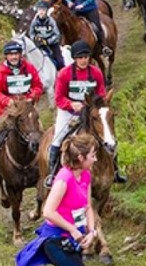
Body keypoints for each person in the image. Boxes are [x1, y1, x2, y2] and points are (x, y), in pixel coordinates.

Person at [16, 132, 99, 266]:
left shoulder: (86, 176)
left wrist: (92, 231)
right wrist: (72, 229)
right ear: (81, 157)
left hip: (74, 240)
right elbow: (48, 211)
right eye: (93, 155)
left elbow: (88, 207)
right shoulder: (64, 179)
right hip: (56, 241)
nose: (96, 159)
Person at [44, 40, 126, 186]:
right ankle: (52, 173)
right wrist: (71, 104)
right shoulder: (64, 74)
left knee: (108, 137)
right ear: (74, 59)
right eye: (80, 58)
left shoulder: (95, 72)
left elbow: (100, 92)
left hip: (90, 110)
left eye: (86, 57)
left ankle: (115, 171)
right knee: (57, 138)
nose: (83, 60)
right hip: (69, 112)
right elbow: (58, 98)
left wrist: (100, 103)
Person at [0, 40, 44, 180]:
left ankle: (46, 163)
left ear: (21, 55)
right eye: (11, 54)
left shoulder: (29, 68)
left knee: (41, 131)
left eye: (16, 54)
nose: (14, 57)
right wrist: (7, 101)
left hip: (27, 109)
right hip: (7, 111)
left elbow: (38, 86)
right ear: (6, 56)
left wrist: (32, 97)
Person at [28, 0, 63, 68]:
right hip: (40, 44)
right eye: (39, 10)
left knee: (60, 62)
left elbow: (57, 35)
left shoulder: (51, 21)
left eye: (43, 10)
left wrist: (47, 41)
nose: (41, 12)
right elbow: (31, 33)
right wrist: (35, 38)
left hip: (52, 44)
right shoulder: (34, 22)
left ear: (46, 11)